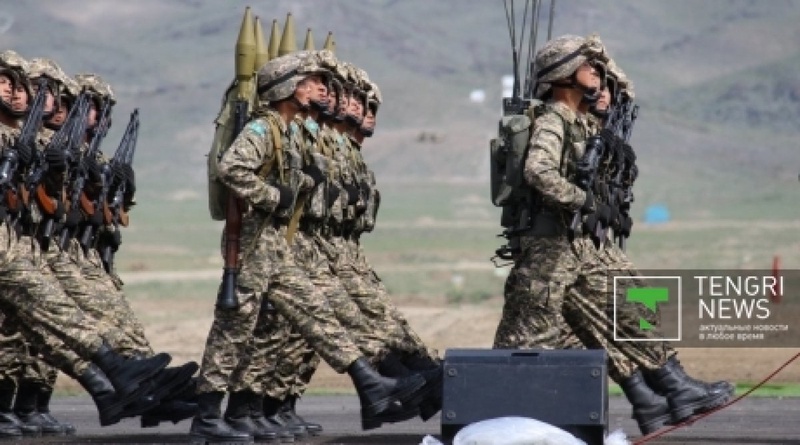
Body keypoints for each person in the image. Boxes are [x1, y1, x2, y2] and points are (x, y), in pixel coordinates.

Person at [492, 34, 731, 435]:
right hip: (551, 254)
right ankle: (661, 390)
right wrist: (583, 200)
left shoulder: (582, 120)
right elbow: (538, 171)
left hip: (579, 248)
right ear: (566, 75)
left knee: (632, 305)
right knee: (527, 347)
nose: (598, 75)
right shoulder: (553, 120)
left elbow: (624, 95)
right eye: (589, 67)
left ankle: (664, 389)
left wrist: (600, 56)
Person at [191, 51, 430, 444]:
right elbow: (231, 168)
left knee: (314, 313)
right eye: (310, 82)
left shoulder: (287, 131)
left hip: (279, 246)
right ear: (286, 88)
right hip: (256, 244)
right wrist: (274, 197)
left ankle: (370, 382)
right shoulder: (262, 129)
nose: (320, 89)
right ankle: (207, 418)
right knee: (234, 330)